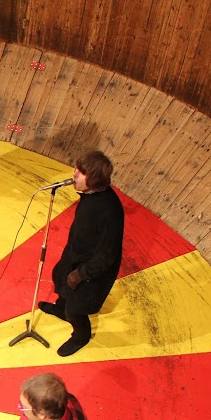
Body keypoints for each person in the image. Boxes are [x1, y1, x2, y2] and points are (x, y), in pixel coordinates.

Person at [39, 150, 124, 357]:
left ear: (94, 179)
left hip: (93, 268)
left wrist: (81, 274)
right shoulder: (89, 195)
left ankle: (81, 336)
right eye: (76, 169)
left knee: (76, 308)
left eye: (81, 172)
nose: (74, 174)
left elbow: (107, 254)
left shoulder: (110, 210)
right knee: (61, 280)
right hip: (76, 255)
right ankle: (61, 310)